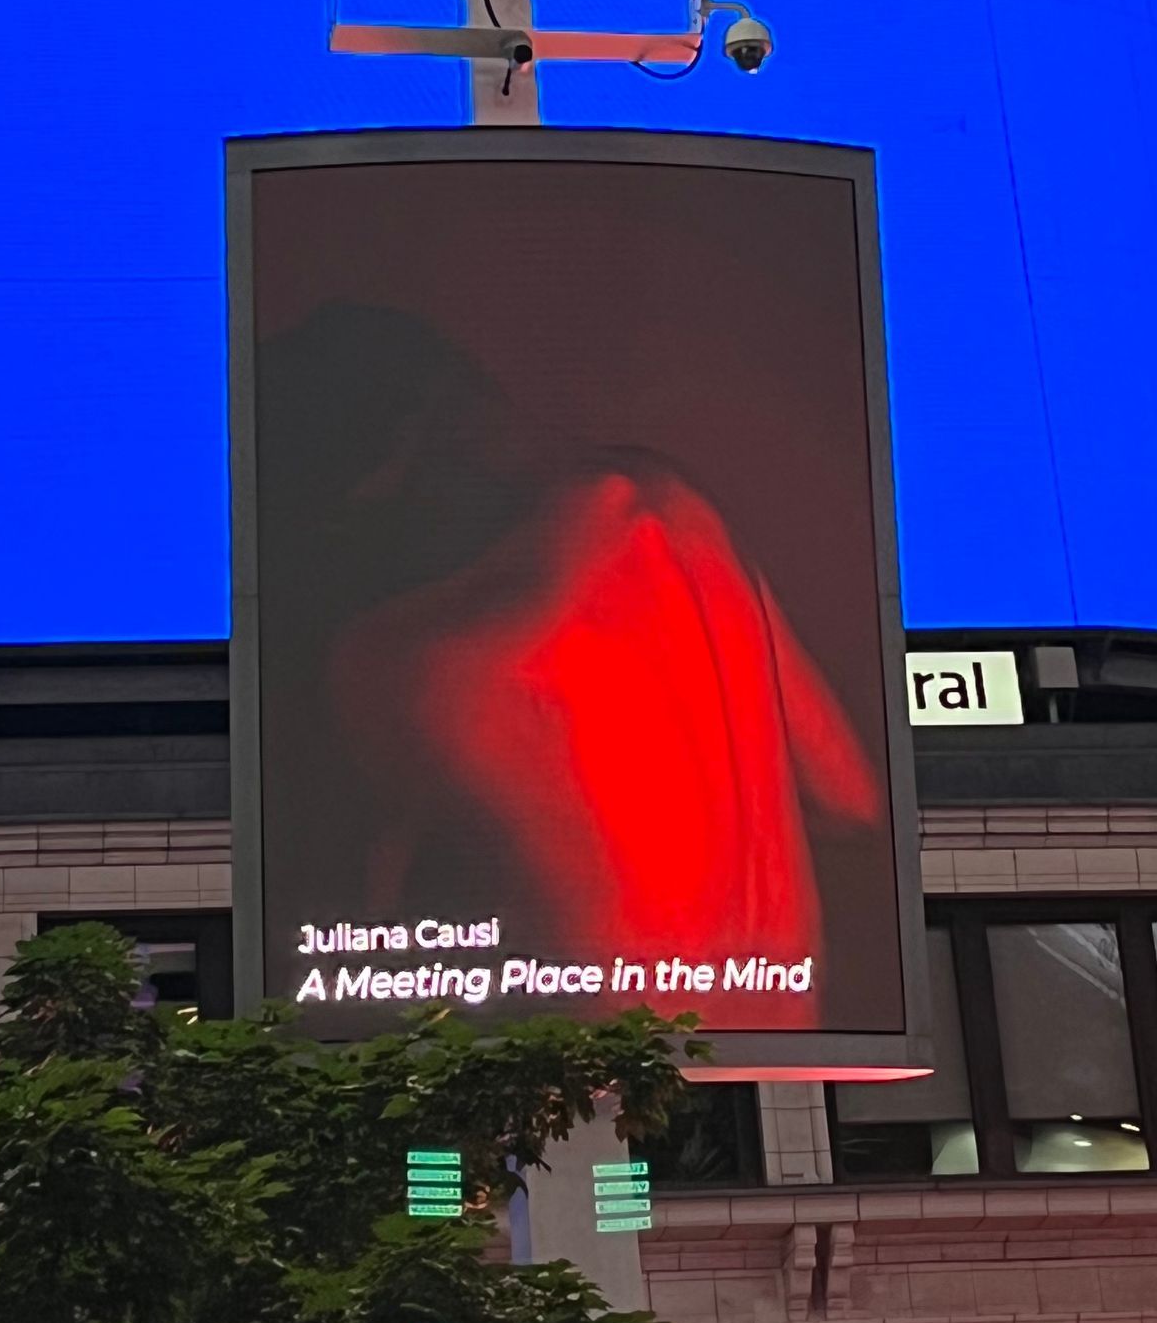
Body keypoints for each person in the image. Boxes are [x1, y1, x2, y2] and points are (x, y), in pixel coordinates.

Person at [257, 304, 881, 1028]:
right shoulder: (670, 505)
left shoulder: (393, 658)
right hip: (779, 1035)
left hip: (585, 1066)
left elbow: (340, 953)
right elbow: (851, 801)